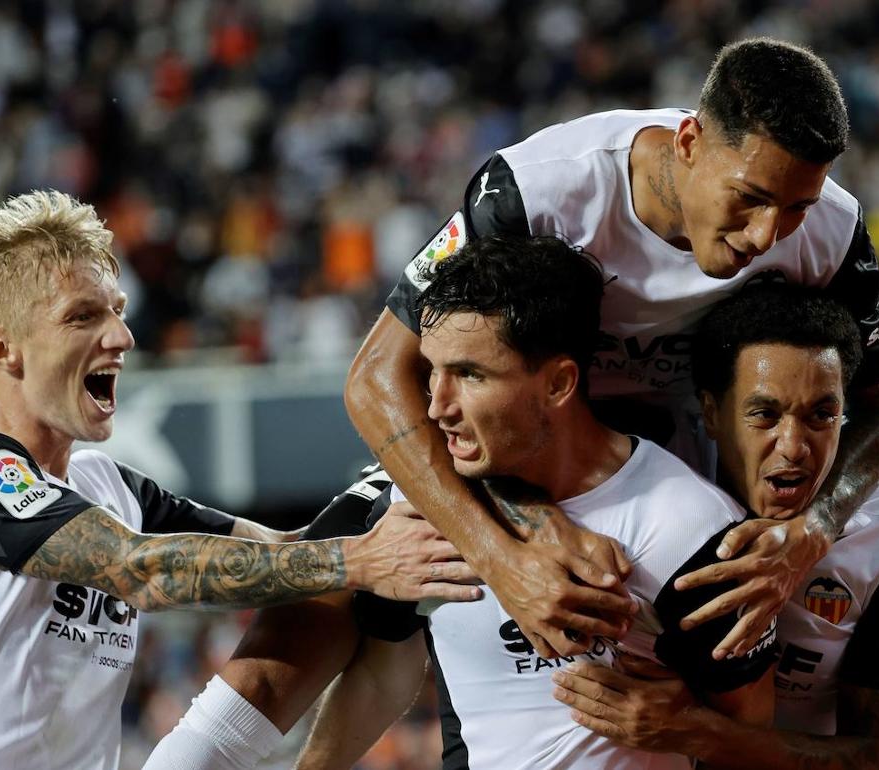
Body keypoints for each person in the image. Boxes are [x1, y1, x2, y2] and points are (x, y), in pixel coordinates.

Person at [346, 36, 879, 662]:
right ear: (689, 142)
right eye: (750, 198)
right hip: (521, 462)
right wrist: (504, 552)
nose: (766, 235)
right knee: (331, 621)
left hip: (680, 479)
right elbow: (375, 378)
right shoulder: (539, 190)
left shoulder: (835, 228)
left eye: (796, 208)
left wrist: (812, 532)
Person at [146, 234, 782, 769]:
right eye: (429, 372)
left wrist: (691, 730)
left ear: (559, 382)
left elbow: (751, 735)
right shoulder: (411, 502)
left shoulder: (691, 530)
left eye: (470, 375)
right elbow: (376, 667)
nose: (434, 407)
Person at [0, 190, 479, 770]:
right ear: (2, 347)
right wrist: (361, 560)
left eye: (118, 311)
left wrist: (385, 502)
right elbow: (143, 571)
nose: (121, 337)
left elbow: (286, 555)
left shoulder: (106, 485)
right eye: (82, 317)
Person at [552, 285, 879, 769]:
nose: (793, 447)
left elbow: (875, 760)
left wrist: (696, 732)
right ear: (712, 414)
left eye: (822, 415)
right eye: (765, 414)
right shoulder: (658, 481)